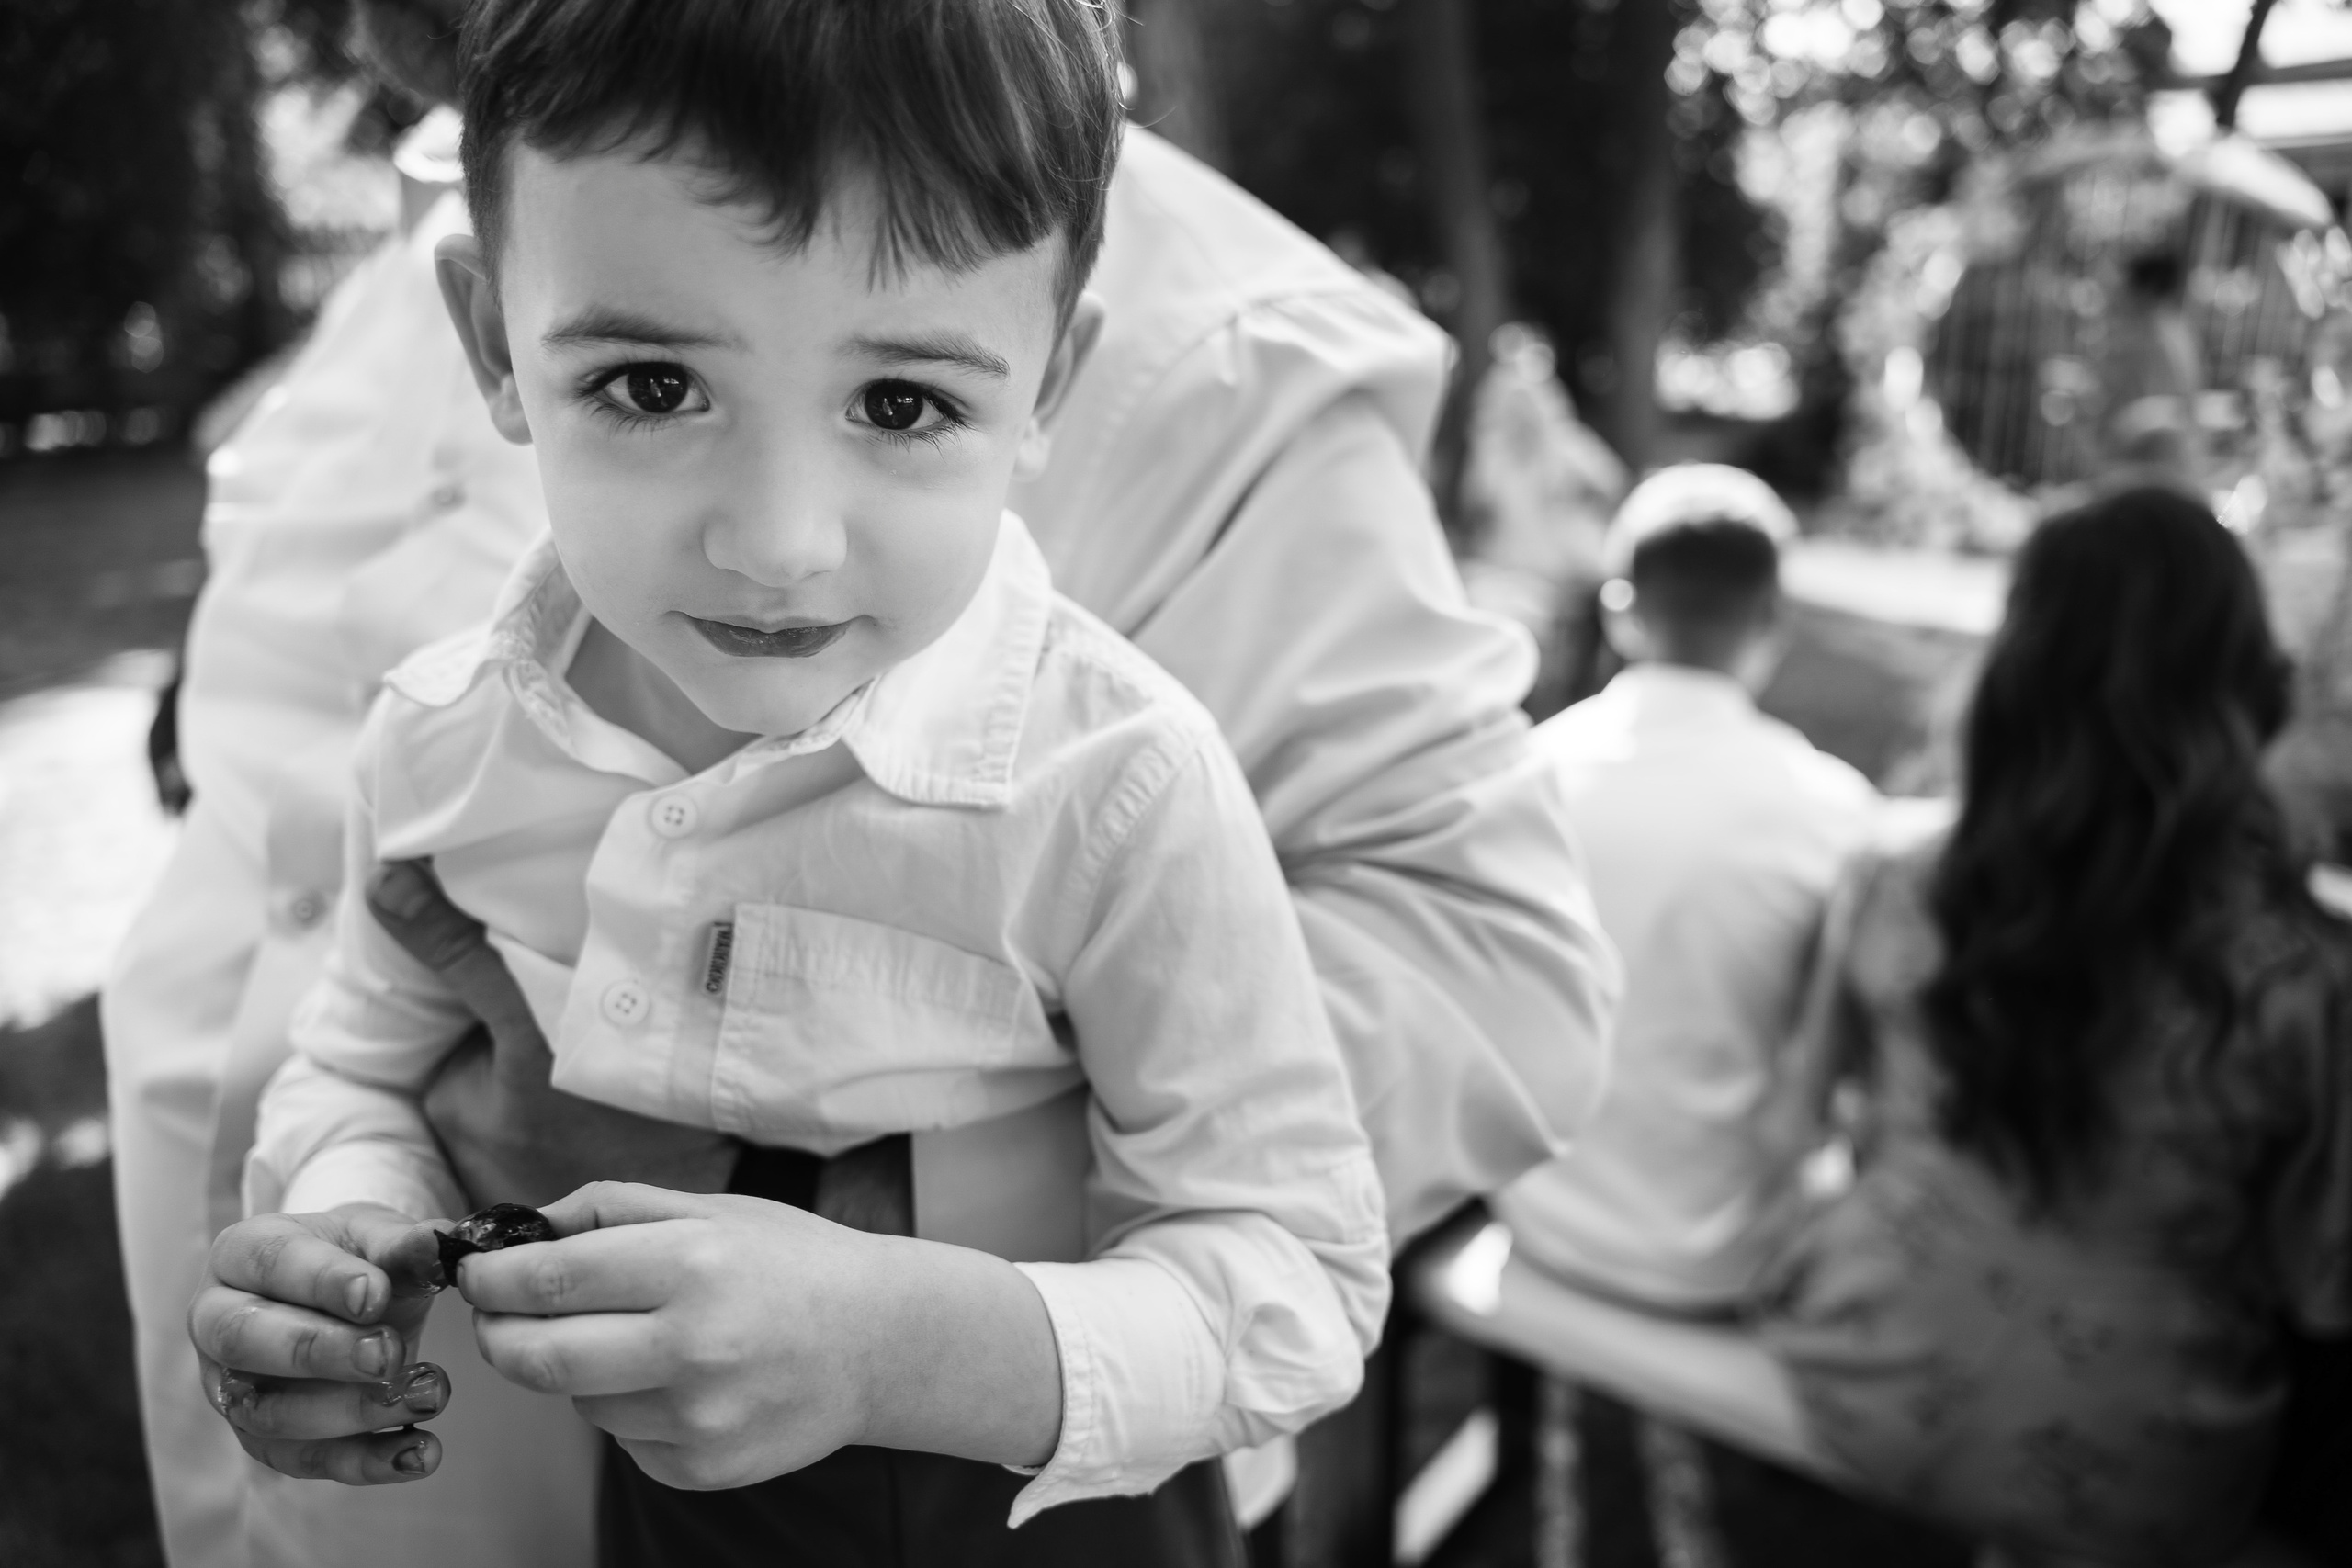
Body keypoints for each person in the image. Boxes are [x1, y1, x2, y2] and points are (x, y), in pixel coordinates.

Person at [148, 0, 1618, 1564]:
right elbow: (354, 1059)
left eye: (902, 406)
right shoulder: (444, 727)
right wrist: (348, 1221)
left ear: (1049, 386)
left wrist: (871, 1293)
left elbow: (1309, 1245)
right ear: (493, 343)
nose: (777, 540)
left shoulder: (1112, 779)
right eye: (650, 386)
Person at [1760, 487, 2352, 1566]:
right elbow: (2322, 1284)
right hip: (2142, 1467)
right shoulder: (2304, 979)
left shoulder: (1898, 878)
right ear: (2241, 687)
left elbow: (1802, 1122)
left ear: (2013, 665)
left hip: (1858, 1364)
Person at [1492, 465, 1878, 1313]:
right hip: (1724, 1247)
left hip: (1539, 1207)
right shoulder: (1835, 813)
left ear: (1617, 607)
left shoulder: (1526, 773)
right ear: (1773, 618)